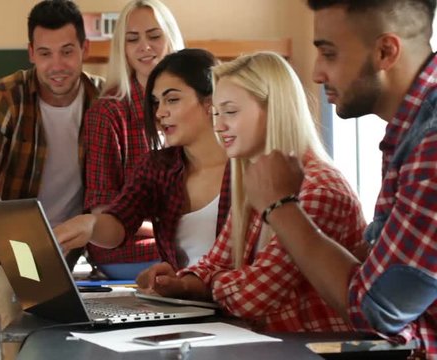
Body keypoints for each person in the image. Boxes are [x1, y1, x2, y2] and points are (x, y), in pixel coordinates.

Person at [243, 0, 437, 357]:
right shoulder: (410, 133)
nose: (317, 74)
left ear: (385, 51)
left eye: (329, 55)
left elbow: (378, 309)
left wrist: (281, 206)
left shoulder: (433, 142)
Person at [136, 51, 367, 332]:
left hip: (320, 351)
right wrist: (179, 283)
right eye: (217, 113)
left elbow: (255, 296)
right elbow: (215, 262)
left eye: (230, 112)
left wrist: (205, 283)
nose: (218, 126)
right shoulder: (255, 183)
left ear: (275, 110)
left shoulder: (320, 189)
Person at [0, 1, 104, 359]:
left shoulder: (103, 101)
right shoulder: (6, 95)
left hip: (64, 247)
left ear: (84, 49)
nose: (56, 65)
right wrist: (11, 233)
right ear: (31, 53)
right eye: (45, 53)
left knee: (22, 327)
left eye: (67, 52)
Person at [55, 48, 231, 273]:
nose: (160, 113)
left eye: (172, 99)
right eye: (156, 102)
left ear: (210, 102)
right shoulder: (157, 167)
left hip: (235, 301)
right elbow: (119, 223)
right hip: (184, 302)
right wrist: (89, 225)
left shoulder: (245, 167)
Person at [82, 0, 184, 277]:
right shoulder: (108, 113)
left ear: (170, 39)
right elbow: (103, 212)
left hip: (182, 242)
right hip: (129, 248)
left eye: (154, 36)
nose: (144, 47)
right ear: (122, 48)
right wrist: (173, 228)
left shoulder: (195, 106)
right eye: (132, 39)